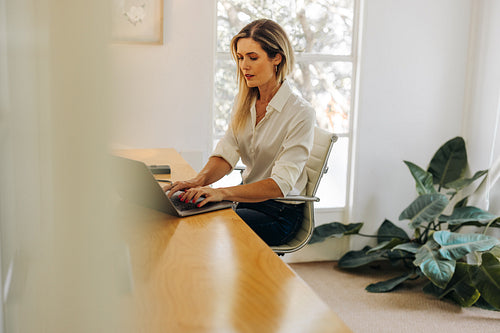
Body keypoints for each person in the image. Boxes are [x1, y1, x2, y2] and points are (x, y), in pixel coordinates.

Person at [167, 19, 315, 246]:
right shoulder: (244, 101)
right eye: (240, 57)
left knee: (204, 226)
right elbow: (226, 153)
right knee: (179, 211)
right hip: (245, 202)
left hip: (279, 214)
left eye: (253, 57)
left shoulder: (300, 112)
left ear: (277, 58)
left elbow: (279, 184)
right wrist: (197, 181)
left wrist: (222, 193)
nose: (244, 66)